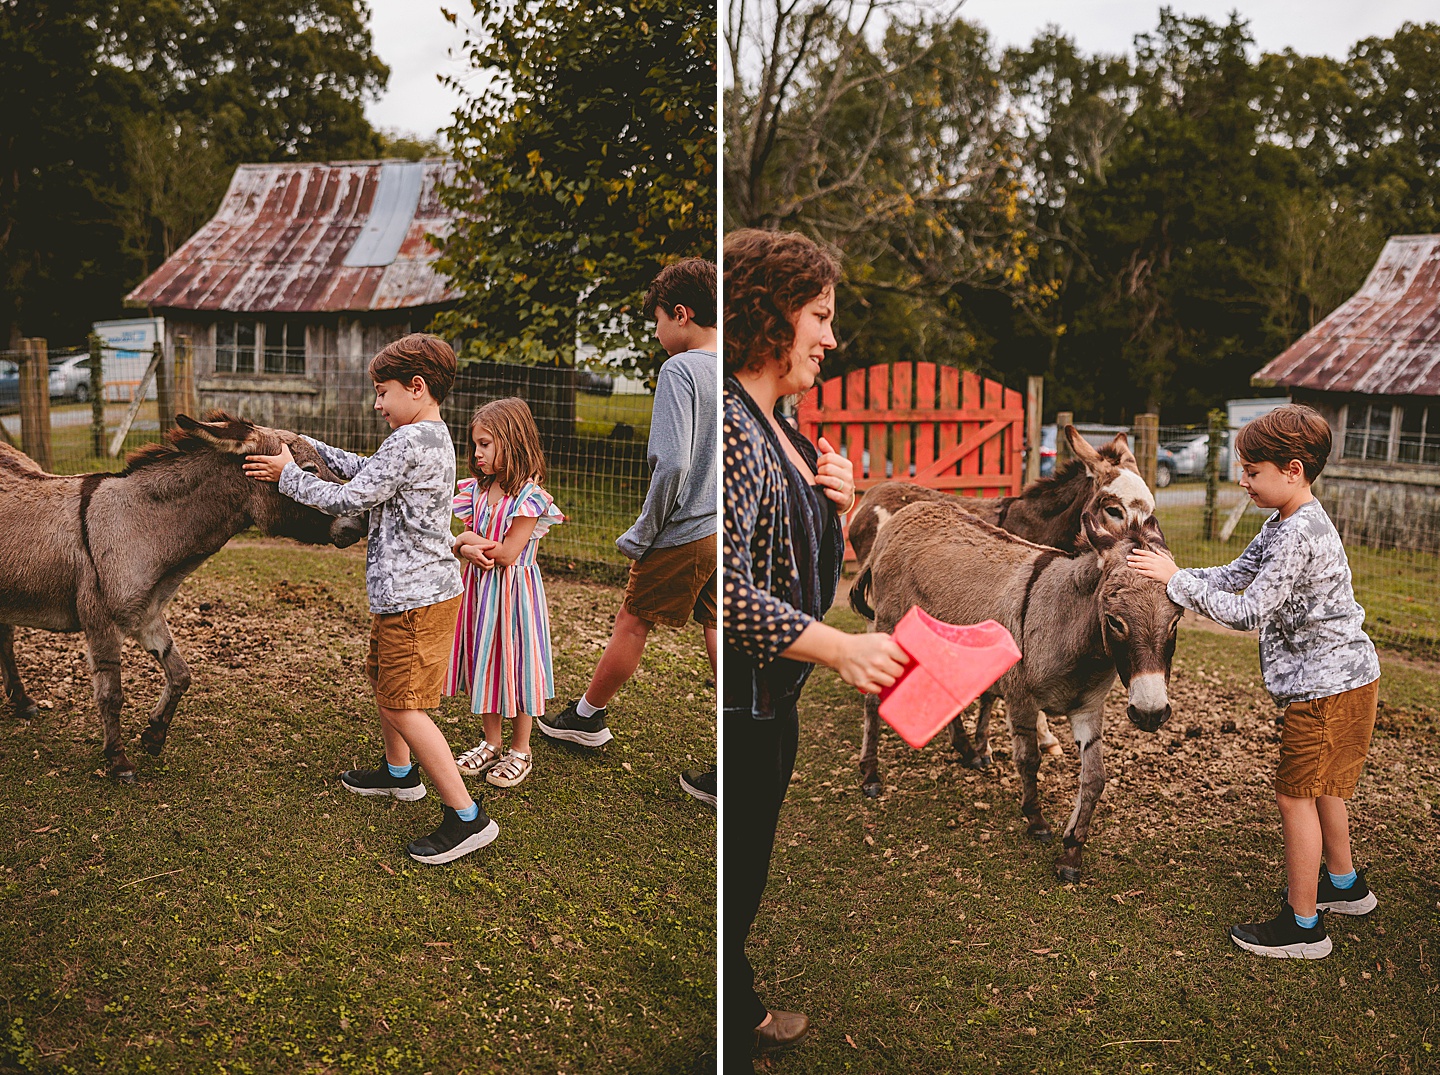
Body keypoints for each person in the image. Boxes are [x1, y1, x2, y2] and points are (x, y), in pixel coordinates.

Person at [721, 229, 910, 1066]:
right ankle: (732, 1020)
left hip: (777, 700)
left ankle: (738, 995)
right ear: (770, 316)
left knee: (749, 870)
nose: (831, 339)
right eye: (820, 316)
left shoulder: (785, 430)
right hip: (744, 704)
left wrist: (834, 504)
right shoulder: (728, 426)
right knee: (735, 872)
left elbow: (796, 565)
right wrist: (837, 648)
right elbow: (721, 590)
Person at [1128, 403, 1381, 959]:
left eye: (1252, 471)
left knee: (1295, 796)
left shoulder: (1297, 534)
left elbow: (1247, 611)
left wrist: (1179, 587)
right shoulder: (1286, 522)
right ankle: (1344, 886)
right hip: (1347, 681)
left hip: (1327, 691)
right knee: (1323, 788)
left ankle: (1304, 926)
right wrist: (1173, 574)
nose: (1242, 481)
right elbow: (1235, 574)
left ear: (1293, 470)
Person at [242, 333, 498, 866]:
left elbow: (347, 497)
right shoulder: (427, 436)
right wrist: (309, 447)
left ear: (417, 386)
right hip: (404, 596)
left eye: (383, 392)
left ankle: (468, 817)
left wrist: (290, 476)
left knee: (405, 705)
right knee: (385, 686)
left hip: (415, 600)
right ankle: (399, 775)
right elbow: (367, 469)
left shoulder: (411, 441)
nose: (377, 403)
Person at [537, 258, 719, 805]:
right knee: (720, 631)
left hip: (685, 528)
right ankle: (745, 747)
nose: (657, 333)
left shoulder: (681, 371)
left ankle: (587, 718)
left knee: (633, 619)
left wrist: (644, 531)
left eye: (658, 321)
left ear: (681, 315)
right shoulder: (737, 371)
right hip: (729, 528)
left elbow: (671, 463)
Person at [447, 397, 563, 790]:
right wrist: (463, 546)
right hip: (480, 594)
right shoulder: (476, 490)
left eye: (486, 444)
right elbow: (464, 548)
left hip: (515, 598)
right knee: (485, 662)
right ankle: (491, 742)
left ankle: (521, 749)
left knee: (515, 665)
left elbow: (509, 552)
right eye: (475, 445)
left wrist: (465, 539)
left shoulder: (528, 496)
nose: (477, 453)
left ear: (512, 443)